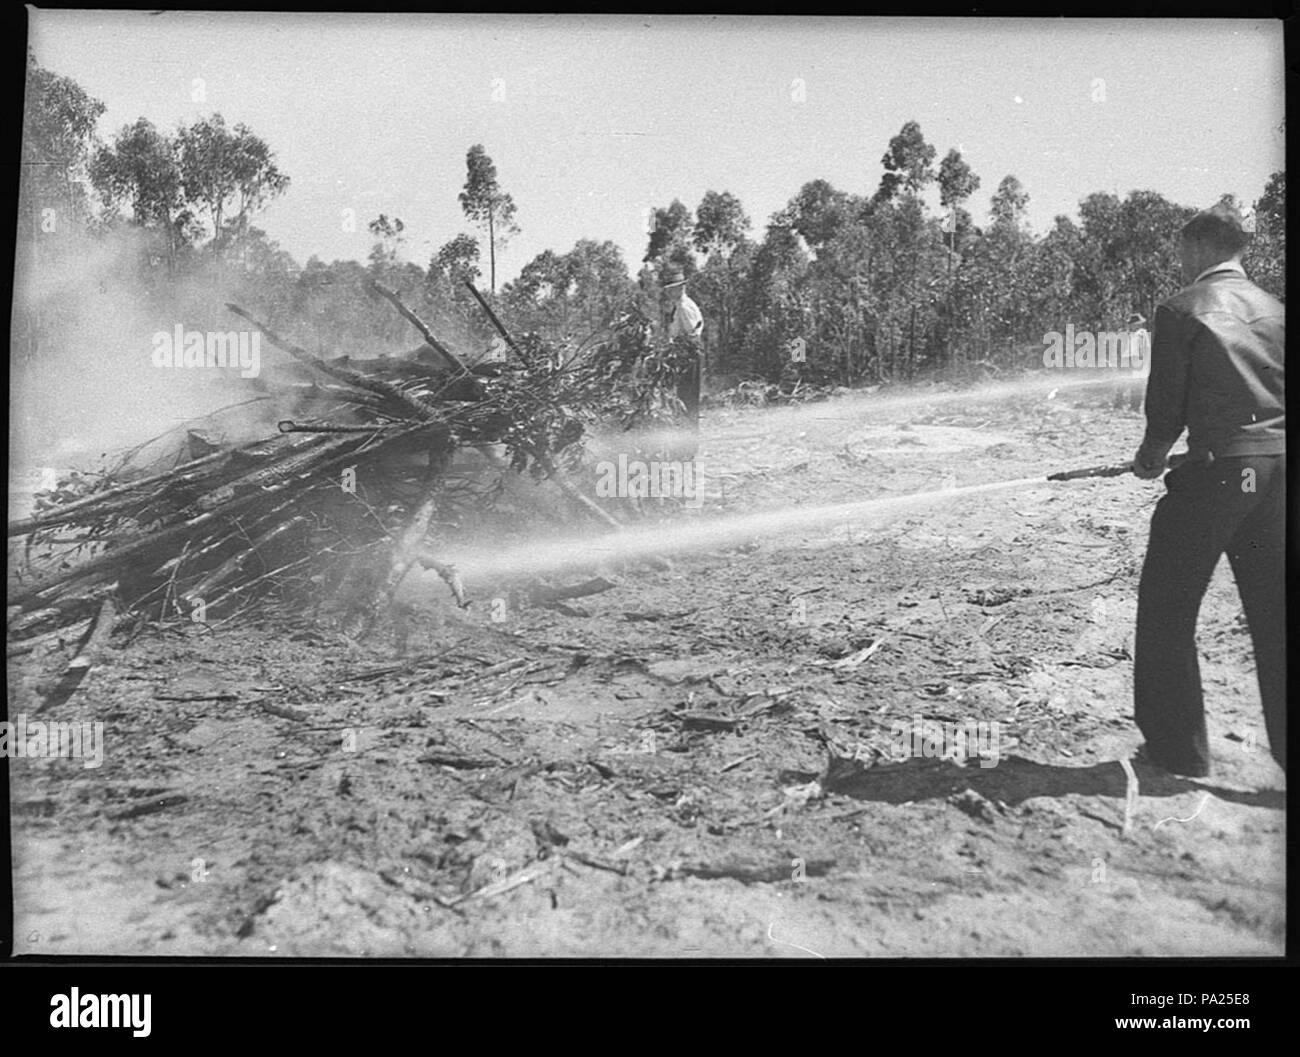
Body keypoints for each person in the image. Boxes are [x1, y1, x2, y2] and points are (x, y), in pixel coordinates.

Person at [1130, 200, 1285, 778]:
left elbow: (1167, 400)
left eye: (1181, 249)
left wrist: (1152, 455)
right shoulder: (1276, 309)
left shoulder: (1182, 308)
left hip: (1220, 475)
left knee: (1168, 609)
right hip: (1277, 475)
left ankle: (1179, 753)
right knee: (1276, 618)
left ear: (1197, 246)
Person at [661, 266, 704, 460]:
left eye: (673, 288)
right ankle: (685, 446)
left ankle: (688, 448)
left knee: (687, 400)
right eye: (669, 289)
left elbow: (692, 335)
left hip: (689, 355)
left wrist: (677, 350)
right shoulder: (679, 306)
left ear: (681, 288)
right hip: (684, 356)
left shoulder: (685, 307)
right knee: (683, 399)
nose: (670, 292)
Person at [1112, 313, 1149, 411]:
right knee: (1122, 383)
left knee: (1137, 385)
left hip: (1137, 360)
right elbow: (1119, 348)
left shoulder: (1143, 334)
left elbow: (1146, 348)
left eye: (1138, 324)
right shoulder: (1125, 334)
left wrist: (1144, 362)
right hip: (1125, 360)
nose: (1137, 326)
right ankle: (1118, 404)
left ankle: (1135, 406)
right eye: (1135, 324)